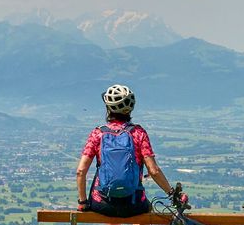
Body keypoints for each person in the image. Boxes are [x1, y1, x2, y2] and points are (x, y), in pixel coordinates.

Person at [75, 83, 178, 217]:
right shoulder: (138, 133)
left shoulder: (97, 134)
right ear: (130, 109)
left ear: (108, 108)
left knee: (109, 212)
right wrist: (172, 194)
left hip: (102, 204)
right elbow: (154, 171)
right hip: (134, 205)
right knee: (147, 207)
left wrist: (83, 202)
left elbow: (81, 171)